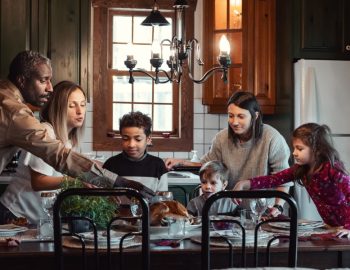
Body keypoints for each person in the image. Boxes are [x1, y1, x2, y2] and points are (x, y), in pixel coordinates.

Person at [0, 50, 154, 198]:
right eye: (43, 80)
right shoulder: (16, 113)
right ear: (21, 80)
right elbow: (59, 156)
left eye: (82, 104)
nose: (50, 88)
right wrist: (117, 182)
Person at [165, 91, 290, 215]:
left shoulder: (272, 138)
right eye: (231, 116)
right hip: (229, 213)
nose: (234, 122)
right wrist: (182, 162)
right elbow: (206, 165)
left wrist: (278, 206)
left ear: (255, 116)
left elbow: (283, 179)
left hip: (263, 212)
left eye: (241, 116)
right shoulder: (222, 138)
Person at [233, 123, 350, 238]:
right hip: (332, 227)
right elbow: (274, 179)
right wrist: (244, 183)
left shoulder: (332, 169)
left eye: (300, 148)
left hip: (346, 229)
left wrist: (348, 227)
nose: (294, 153)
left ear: (317, 150)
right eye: (294, 148)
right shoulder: (301, 169)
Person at [0, 81, 88, 224]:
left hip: (34, 220)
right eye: (72, 105)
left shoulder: (69, 141)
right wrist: (77, 181)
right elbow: (38, 182)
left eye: (83, 104)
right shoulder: (46, 133)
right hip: (13, 214)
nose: (80, 111)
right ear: (58, 108)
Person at [103, 111, 168, 193]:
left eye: (138, 139)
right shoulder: (110, 164)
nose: (131, 145)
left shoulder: (158, 165)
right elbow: (104, 199)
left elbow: (162, 200)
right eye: (125, 139)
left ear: (148, 140)